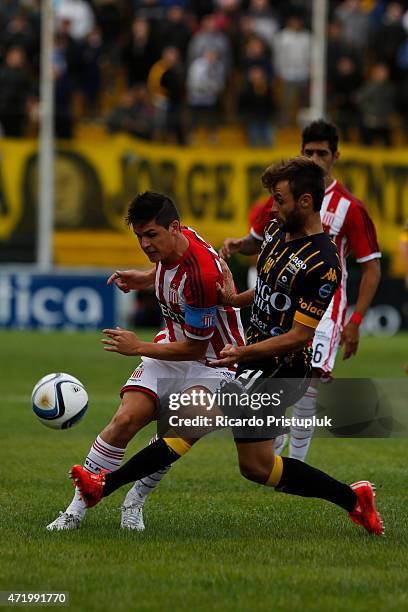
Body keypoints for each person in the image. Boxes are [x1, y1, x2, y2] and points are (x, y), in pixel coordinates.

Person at [70, 158, 384, 537]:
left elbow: (301, 336)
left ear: (304, 201)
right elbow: (270, 289)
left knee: (189, 418)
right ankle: (355, 500)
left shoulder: (324, 262)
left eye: (279, 199)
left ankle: (104, 485)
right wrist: (236, 301)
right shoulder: (276, 231)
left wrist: (243, 354)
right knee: (258, 467)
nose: (272, 206)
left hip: (281, 370)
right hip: (254, 358)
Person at [46, 191, 244, 531]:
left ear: (174, 228)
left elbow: (196, 350)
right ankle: (75, 509)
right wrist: (143, 278)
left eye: (151, 235)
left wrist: (137, 346)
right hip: (175, 345)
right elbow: (166, 272)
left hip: (216, 363)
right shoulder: (181, 242)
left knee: (171, 435)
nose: (145, 244)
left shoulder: (199, 275)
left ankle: (133, 502)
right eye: (139, 236)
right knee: (126, 418)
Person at [220, 119, 381, 461]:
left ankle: (296, 461)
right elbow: (259, 240)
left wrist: (355, 320)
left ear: (335, 156)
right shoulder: (286, 195)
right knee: (277, 374)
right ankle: (273, 449)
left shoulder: (352, 208)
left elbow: (371, 267)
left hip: (327, 305)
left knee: (310, 381)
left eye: (322, 152)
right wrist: (240, 243)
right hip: (282, 296)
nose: (315, 157)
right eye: (308, 151)